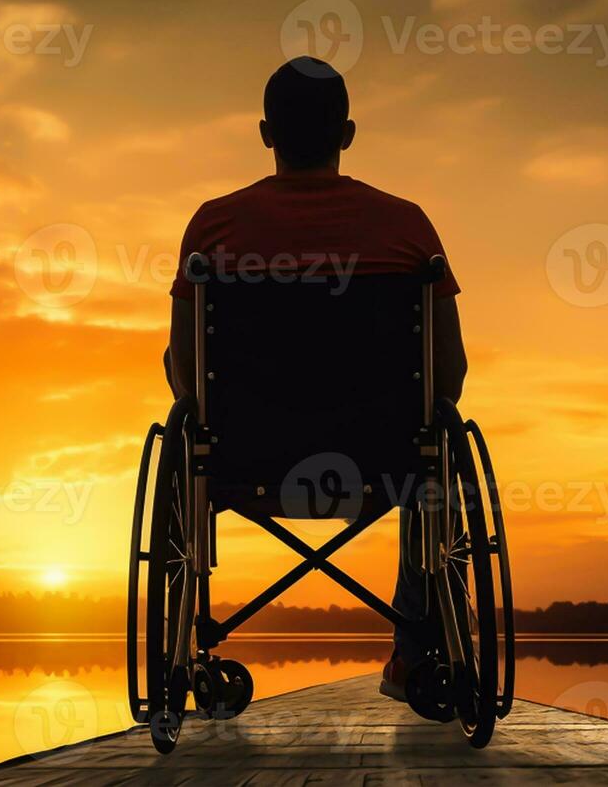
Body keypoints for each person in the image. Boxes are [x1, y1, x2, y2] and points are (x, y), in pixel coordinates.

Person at [163, 55, 468, 703]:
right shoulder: (407, 229)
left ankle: (186, 657)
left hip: (242, 460)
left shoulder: (212, 229)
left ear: (265, 133)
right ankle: (415, 659)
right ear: (347, 133)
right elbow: (450, 374)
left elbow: (184, 376)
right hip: (383, 461)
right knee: (433, 455)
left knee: (183, 436)